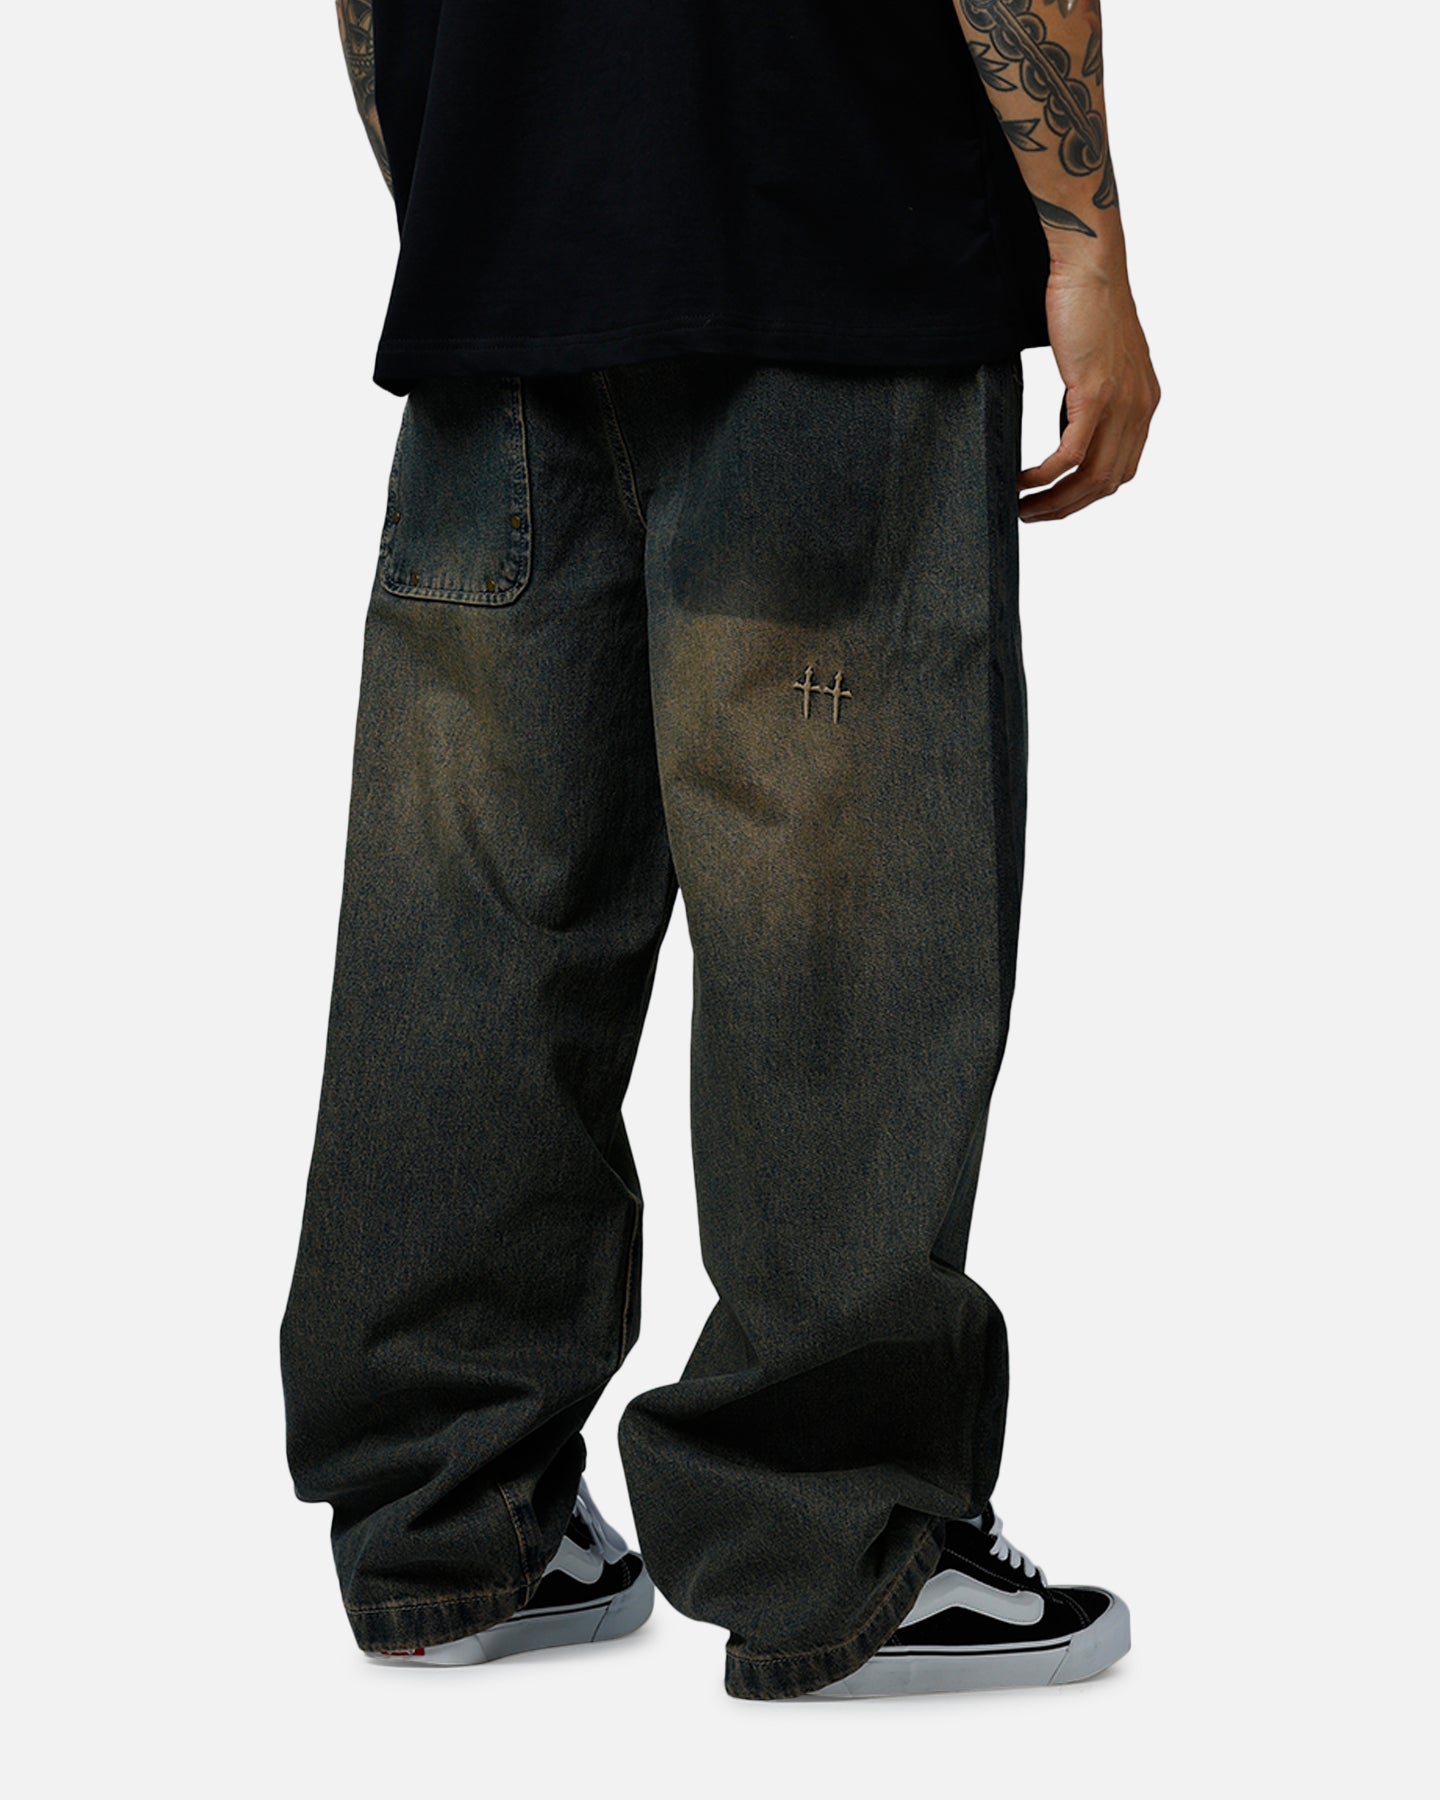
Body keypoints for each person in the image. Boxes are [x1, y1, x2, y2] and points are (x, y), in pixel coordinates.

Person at [280, 0, 1160, 1702]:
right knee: (842, 920)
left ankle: (447, 1522)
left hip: (505, 265)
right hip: (828, 238)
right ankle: (828, 1536)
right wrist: (1088, 248)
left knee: (468, 921)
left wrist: (478, 193)